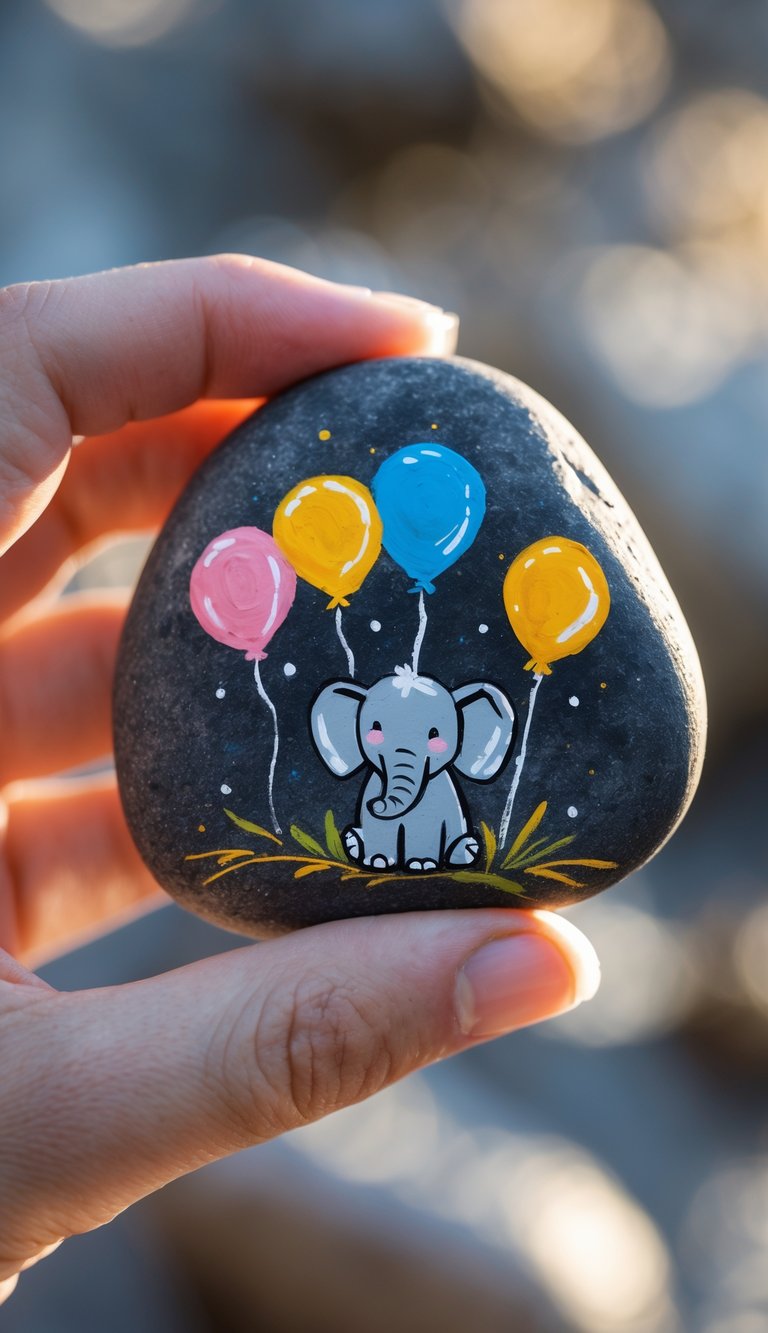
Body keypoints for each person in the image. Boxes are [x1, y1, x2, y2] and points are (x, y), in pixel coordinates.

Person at [0, 255, 599, 1302]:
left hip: (432, 818)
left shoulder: (423, 750)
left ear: (464, 736)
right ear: (353, 732)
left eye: (420, 745)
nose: (402, 759)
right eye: (383, 740)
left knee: (425, 829)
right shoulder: (370, 746)